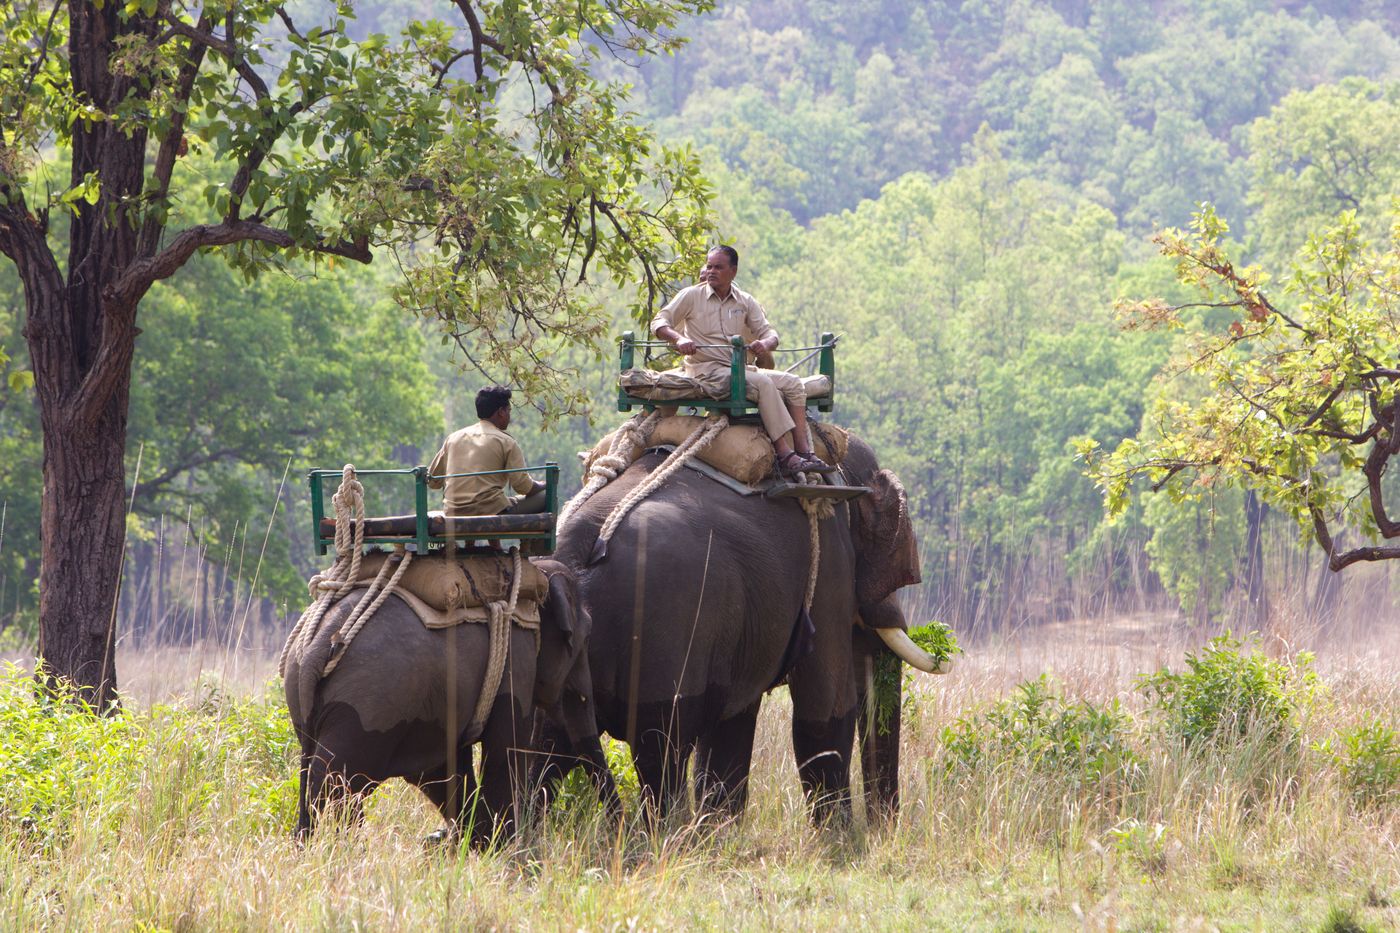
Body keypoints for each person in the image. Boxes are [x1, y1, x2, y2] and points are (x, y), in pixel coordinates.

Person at [651, 245, 834, 477]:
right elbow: (659, 322)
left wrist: (764, 344)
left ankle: (805, 451)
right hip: (706, 372)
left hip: (742, 370)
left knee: (792, 383)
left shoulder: (745, 301)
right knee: (764, 384)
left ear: (733, 271)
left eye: (718, 267)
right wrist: (678, 339)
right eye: (709, 266)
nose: (711, 271)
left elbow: (771, 334)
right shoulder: (691, 295)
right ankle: (785, 454)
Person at [427, 385, 547, 516]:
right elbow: (523, 487)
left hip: (453, 512)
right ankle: (532, 537)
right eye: (509, 411)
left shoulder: (453, 438)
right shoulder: (506, 442)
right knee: (547, 496)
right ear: (501, 412)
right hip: (492, 510)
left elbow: (433, 481)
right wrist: (545, 485)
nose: (509, 416)